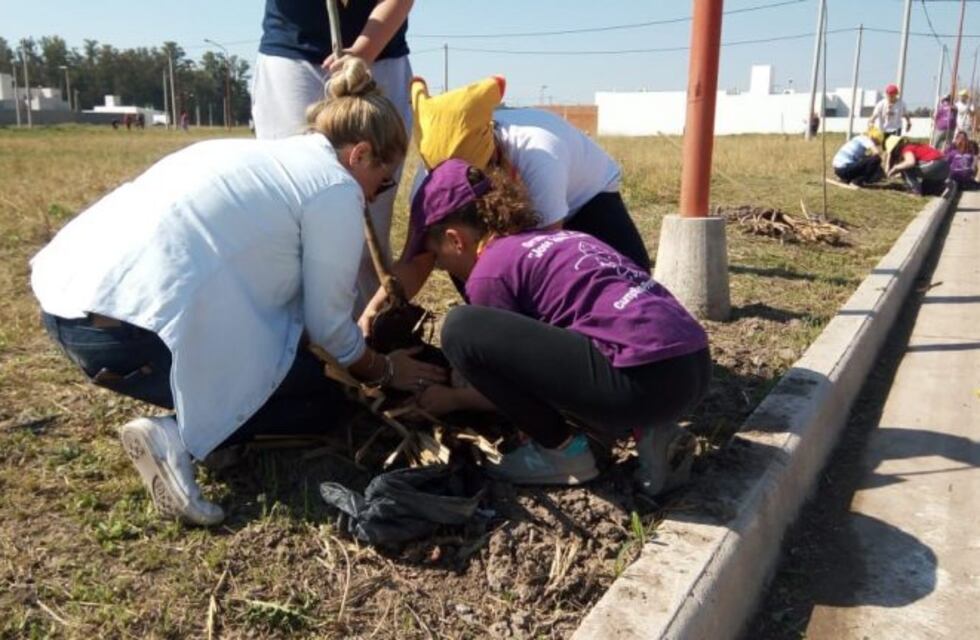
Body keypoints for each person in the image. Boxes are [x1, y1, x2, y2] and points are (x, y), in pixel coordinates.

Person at [30, 58, 445, 527]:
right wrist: (384, 369)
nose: (375, 196)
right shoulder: (333, 188)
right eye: (383, 181)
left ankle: (205, 425)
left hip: (68, 310)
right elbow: (328, 328)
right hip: (128, 335)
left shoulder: (244, 155)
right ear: (361, 155)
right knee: (321, 397)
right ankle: (179, 437)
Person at [410, 159, 711, 496]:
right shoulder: (560, 240)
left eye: (437, 258)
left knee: (460, 328)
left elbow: (511, 387)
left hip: (642, 386)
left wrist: (452, 399)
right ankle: (651, 431)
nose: (441, 267)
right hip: (693, 366)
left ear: (454, 240)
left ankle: (563, 454)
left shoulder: (489, 274)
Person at [359, 75, 651, 333]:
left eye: (470, 179)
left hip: (586, 200)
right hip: (517, 217)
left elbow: (547, 262)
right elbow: (416, 261)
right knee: (470, 265)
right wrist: (377, 309)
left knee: (631, 289)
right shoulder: (428, 183)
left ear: (492, 155)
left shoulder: (539, 153)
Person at [253, 0, 415, 311]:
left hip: (382, 55)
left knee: (372, 210)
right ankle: (294, 341)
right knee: (290, 213)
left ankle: (368, 329)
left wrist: (364, 52)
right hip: (293, 54)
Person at [885, 136, 950, 196]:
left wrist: (895, 168)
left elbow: (910, 163)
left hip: (935, 164)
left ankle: (914, 192)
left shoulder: (906, 149)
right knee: (925, 190)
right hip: (945, 168)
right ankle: (941, 189)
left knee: (905, 168)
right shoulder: (915, 146)